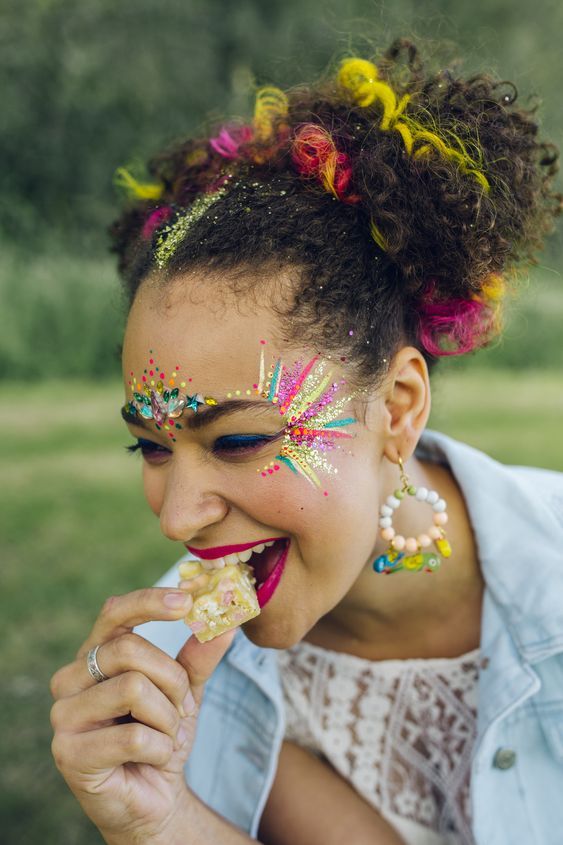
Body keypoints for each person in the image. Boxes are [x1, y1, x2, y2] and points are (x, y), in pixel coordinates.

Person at [50, 38, 563, 845]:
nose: (178, 518)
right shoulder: (170, 682)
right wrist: (163, 821)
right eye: (150, 446)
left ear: (396, 408)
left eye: (239, 438)